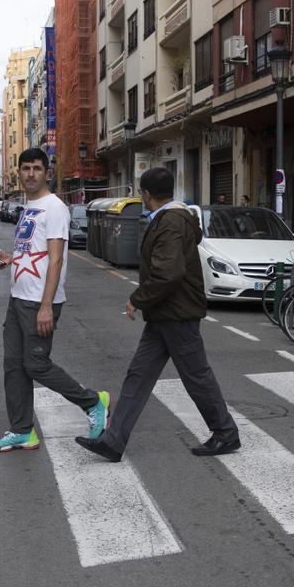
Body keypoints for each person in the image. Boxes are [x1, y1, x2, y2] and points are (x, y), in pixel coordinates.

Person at [75, 167, 241, 462]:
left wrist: (137, 299)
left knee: (197, 377)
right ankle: (113, 442)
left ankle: (225, 433)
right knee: (138, 377)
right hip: (164, 315)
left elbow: (169, 272)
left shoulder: (171, 223)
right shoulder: (173, 219)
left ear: (146, 194)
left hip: (177, 315)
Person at [0, 148, 109, 452]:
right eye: (25, 168)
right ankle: (22, 430)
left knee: (36, 364)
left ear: (46, 173)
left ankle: (93, 402)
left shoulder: (54, 208)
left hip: (39, 302)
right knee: (13, 365)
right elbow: (33, 253)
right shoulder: (29, 206)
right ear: (19, 172)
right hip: (18, 298)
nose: (31, 174)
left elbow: (55, 260)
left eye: (37, 168)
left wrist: (45, 306)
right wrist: (10, 260)